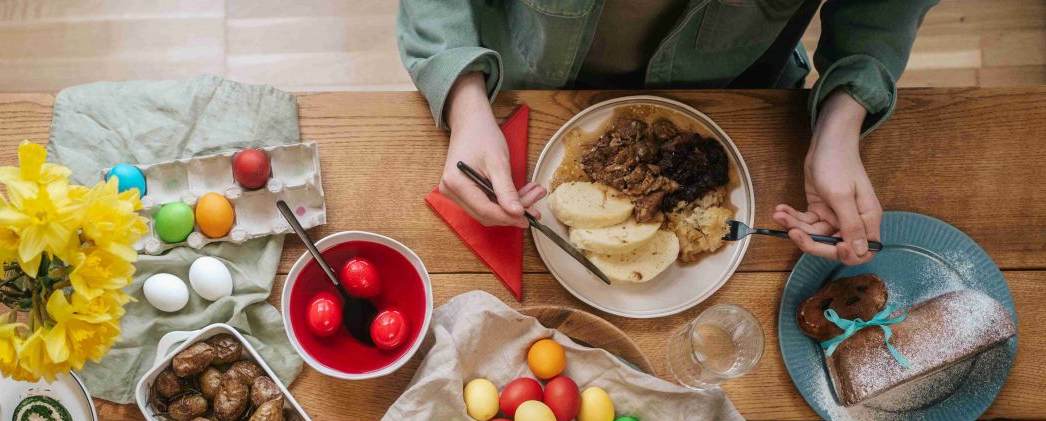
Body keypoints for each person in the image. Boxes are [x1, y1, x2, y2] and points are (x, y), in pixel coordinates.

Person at [397, 0, 938, 266]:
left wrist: (839, 127)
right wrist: (466, 101)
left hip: (745, 89)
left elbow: (882, 11)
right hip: (522, 79)